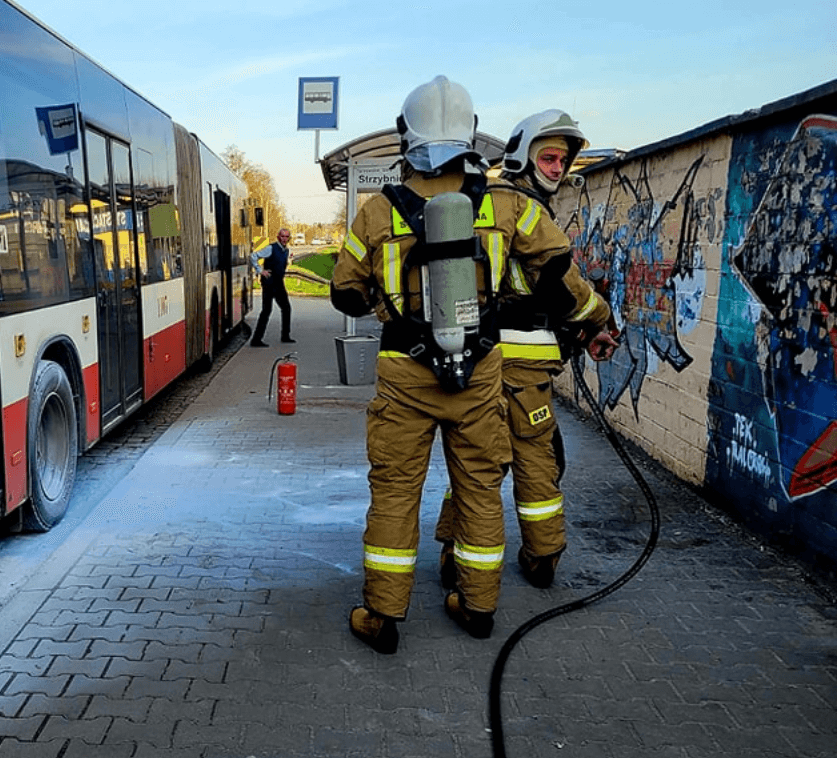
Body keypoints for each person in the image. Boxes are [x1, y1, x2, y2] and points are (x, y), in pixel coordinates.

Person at [332, 76, 604, 648]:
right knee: (480, 486)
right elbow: (558, 272)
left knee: (396, 491)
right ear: (471, 136)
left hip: (404, 372)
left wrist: (386, 292)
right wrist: (596, 318)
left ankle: (382, 615)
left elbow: (344, 292)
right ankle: (478, 607)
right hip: (480, 371)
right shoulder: (507, 205)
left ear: (406, 135)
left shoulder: (378, 212)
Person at [434, 110, 617, 592]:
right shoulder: (525, 207)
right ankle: (542, 556)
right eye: (549, 157)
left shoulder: (475, 201)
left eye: (563, 159)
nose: (557, 168)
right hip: (524, 364)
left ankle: (455, 555)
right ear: (522, 156)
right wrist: (599, 318)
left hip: (475, 357)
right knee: (536, 460)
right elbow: (563, 281)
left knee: (474, 460)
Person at [249, 227, 295, 346]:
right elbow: (254, 256)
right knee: (266, 310)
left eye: (286, 237)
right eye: (282, 236)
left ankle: (285, 336)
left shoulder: (286, 251)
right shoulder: (270, 248)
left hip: (279, 283)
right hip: (269, 283)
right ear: (278, 237)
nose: (284, 239)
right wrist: (260, 270)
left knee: (286, 308)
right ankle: (256, 340)